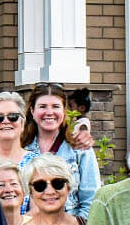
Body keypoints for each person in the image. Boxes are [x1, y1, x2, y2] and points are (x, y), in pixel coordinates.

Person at [23, 85, 100, 216]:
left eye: (55, 106)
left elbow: (91, 201)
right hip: (30, 224)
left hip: (71, 223)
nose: (49, 112)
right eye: (42, 106)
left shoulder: (80, 148)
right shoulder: (21, 147)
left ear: (64, 111)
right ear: (32, 111)